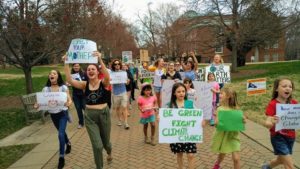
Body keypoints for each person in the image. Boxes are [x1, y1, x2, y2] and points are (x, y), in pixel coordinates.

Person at [64, 51, 112, 169]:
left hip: (104, 115)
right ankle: (99, 167)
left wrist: (100, 60)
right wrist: (66, 62)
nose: (90, 71)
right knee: (97, 145)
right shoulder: (84, 85)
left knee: (106, 143)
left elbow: (107, 76)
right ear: (86, 72)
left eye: (93, 69)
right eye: (88, 69)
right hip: (90, 116)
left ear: (97, 71)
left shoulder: (103, 83)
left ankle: (109, 152)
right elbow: (70, 80)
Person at [35, 69, 72, 169]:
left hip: (63, 114)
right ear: (49, 77)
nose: (52, 75)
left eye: (54, 73)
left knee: (60, 134)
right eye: (50, 74)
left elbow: (69, 99)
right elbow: (41, 102)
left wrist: (68, 104)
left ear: (58, 76)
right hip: (53, 115)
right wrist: (37, 105)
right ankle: (68, 143)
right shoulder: (45, 90)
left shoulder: (63, 87)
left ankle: (61, 158)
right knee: (62, 133)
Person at [262, 77, 297, 169]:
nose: (288, 88)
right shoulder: (273, 104)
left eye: (290, 86)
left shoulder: (294, 103)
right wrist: (272, 122)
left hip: (291, 137)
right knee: (289, 165)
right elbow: (267, 123)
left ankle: (267, 166)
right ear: (277, 89)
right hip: (278, 137)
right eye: (284, 86)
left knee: (281, 159)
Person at [211, 87, 246, 169]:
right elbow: (217, 124)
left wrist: (243, 120)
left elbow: (241, 122)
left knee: (236, 159)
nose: (219, 95)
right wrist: (216, 123)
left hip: (233, 136)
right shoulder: (220, 109)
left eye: (221, 93)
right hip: (223, 136)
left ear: (228, 96)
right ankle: (217, 164)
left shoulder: (236, 109)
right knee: (222, 154)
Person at [168, 83, 197, 169]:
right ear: (174, 93)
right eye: (179, 91)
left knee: (191, 155)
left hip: (189, 133)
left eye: (183, 91)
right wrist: (160, 118)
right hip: (177, 134)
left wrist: (201, 121)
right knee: (179, 153)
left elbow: (196, 115)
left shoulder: (189, 103)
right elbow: (167, 118)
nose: (181, 93)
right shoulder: (171, 105)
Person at [111, 59, 130, 129]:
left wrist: (128, 81)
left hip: (123, 92)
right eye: (115, 64)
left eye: (118, 64)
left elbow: (127, 82)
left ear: (120, 65)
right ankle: (119, 120)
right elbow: (110, 82)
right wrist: (110, 80)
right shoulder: (111, 73)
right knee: (117, 108)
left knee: (124, 107)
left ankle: (126, 123)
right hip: (115, 93)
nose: (117, 65)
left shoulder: (123, 72)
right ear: (113, 65)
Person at [71, 63, 86, 129]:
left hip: (83, 94)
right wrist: (68, 83)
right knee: (78, 109)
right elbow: (68, 82)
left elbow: (87, 82)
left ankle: (89, 121)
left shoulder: (84, 73)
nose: (76, 67)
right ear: (73, 67)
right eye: (75, 66)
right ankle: (81, 123)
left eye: (77, 66)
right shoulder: (71, 75)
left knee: (85, 108)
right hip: (76, 94)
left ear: (79, 67)